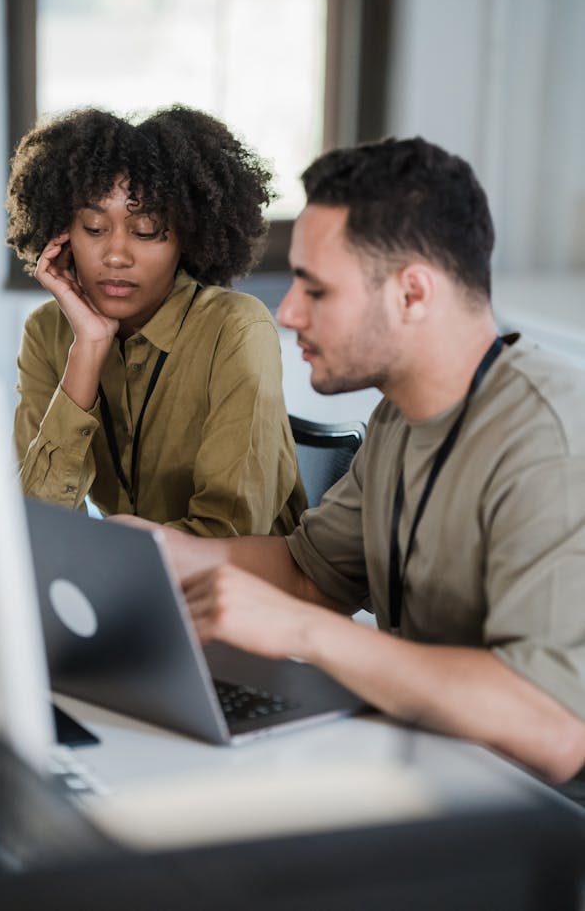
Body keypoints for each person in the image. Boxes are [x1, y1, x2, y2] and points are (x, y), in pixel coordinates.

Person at [123, 136, 585, 787]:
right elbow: (313, 576)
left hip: (542, 821)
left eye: (315, 290)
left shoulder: (552, 442)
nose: (286, 312)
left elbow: (555, 728)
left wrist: (305, 633)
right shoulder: (400, 415)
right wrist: (163, 554)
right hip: (435, 771)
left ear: (412, 294)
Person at [6, 105, 305, 536]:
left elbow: (229, 535)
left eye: (145, 229)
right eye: (93, 227)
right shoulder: (46, 332)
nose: (116, 255)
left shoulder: (236, 330)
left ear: (187, 234)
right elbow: (37, 528)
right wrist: (87, 348)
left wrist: (118, 556)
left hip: (240, 590)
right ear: (63, 232)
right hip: (129, 583)